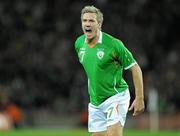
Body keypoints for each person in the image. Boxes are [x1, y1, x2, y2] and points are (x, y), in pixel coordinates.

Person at [74, 5, 145, 136]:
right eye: (84, 21)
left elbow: (135, 68)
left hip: (116, 96)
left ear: (99, 24)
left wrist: (139, 98)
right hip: (95, 102)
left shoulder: (113, 44)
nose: (87, 24)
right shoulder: (79, 44)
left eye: (91, 21)